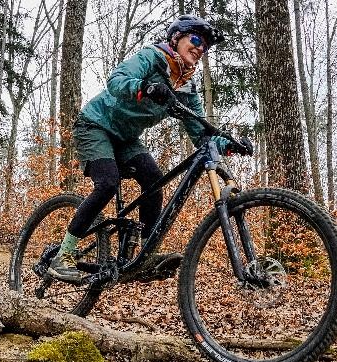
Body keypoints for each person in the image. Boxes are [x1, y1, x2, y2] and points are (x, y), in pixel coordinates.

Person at [49, 15, 227, 283]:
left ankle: (144, 255)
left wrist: (227, 143)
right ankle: (63, 255)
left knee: (154, 181)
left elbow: (200, 130)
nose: (200, 48)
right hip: (95, 125)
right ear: (176, 38)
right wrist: (144, 87)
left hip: (126, 138)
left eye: (205, 47)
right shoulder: (151, 58)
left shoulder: (186, 86)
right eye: (196, 40)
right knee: (108, 182)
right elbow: (117, 81)